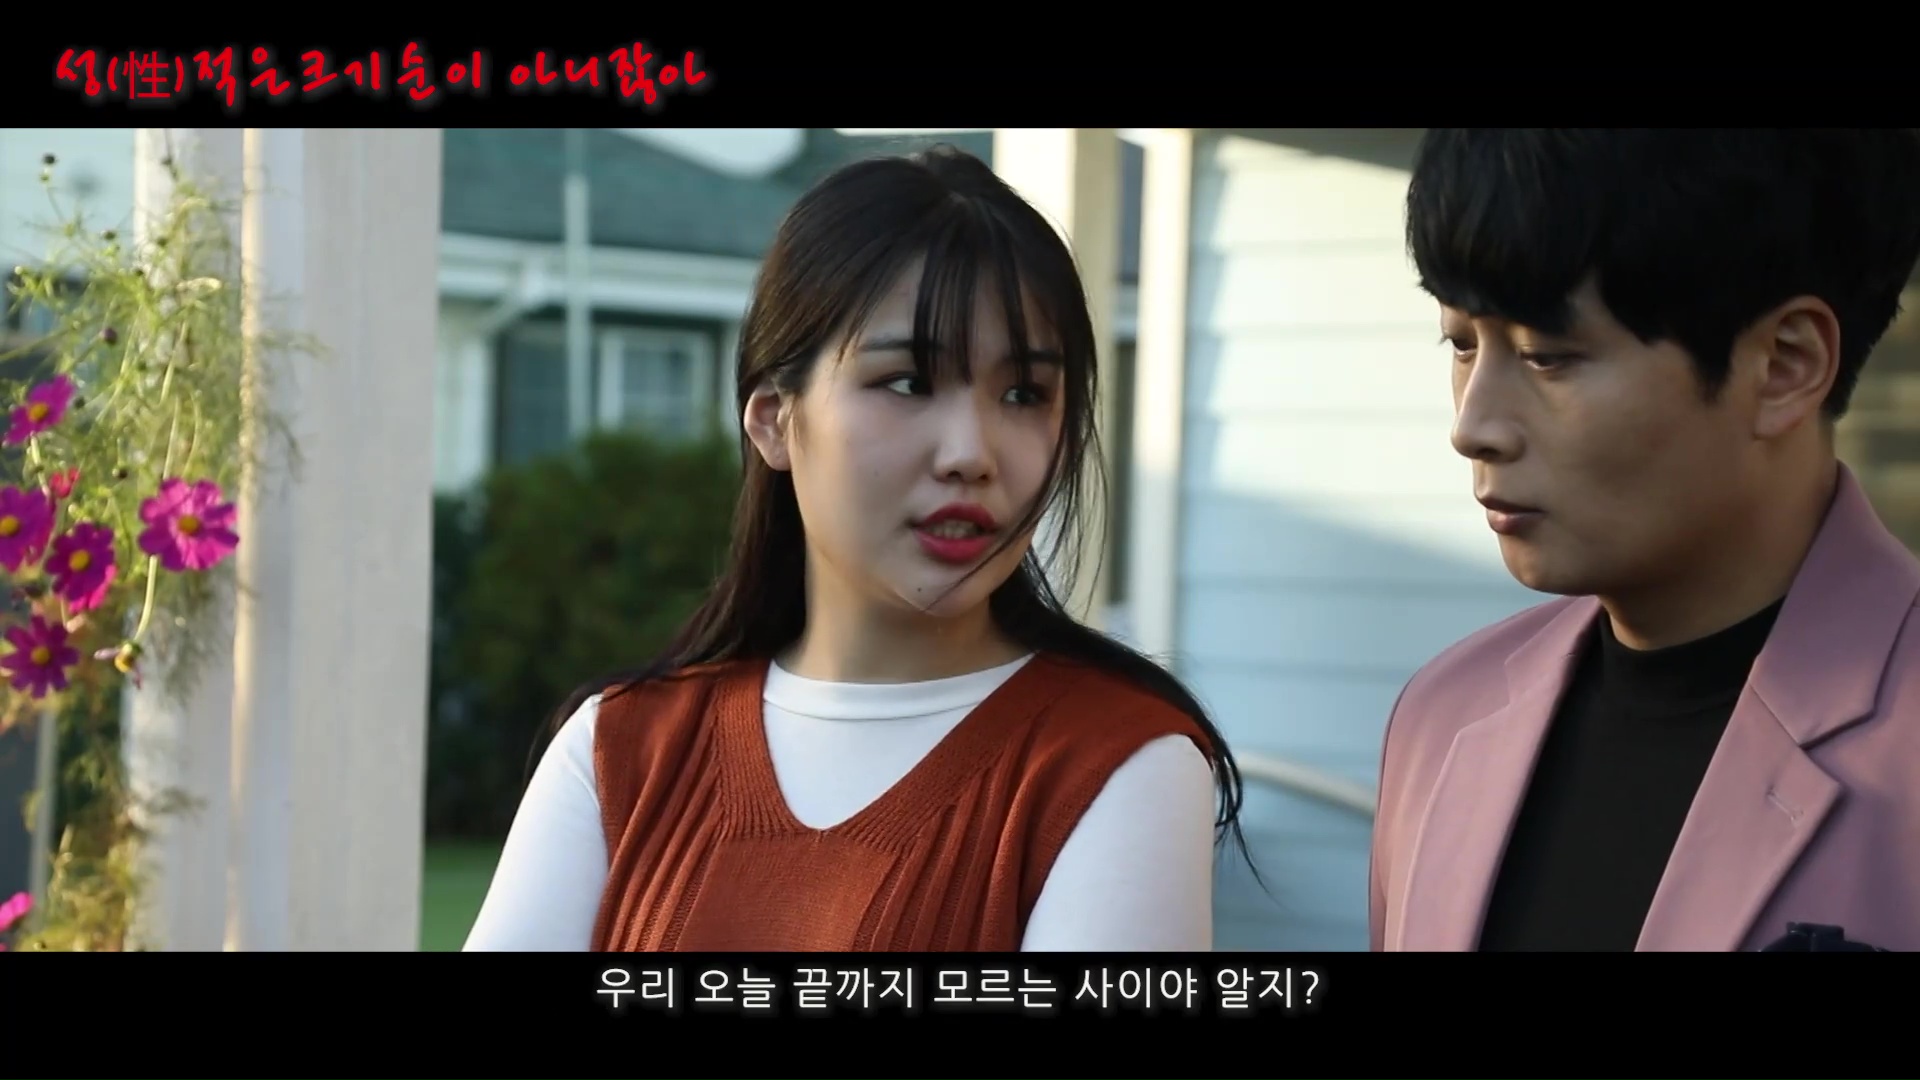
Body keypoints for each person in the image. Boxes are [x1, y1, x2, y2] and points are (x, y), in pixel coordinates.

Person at [464, 145, 1250, 952]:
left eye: (1024, 394)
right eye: (908, 382)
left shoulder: (1119, 762)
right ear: (774, 418)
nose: (970, 453)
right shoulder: (618, 752)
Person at [1370, 129, 1920, 953]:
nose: (1473, 426)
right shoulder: (1443, 717)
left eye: (1547, 356)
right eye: (1462, 344)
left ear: (1784, 365)